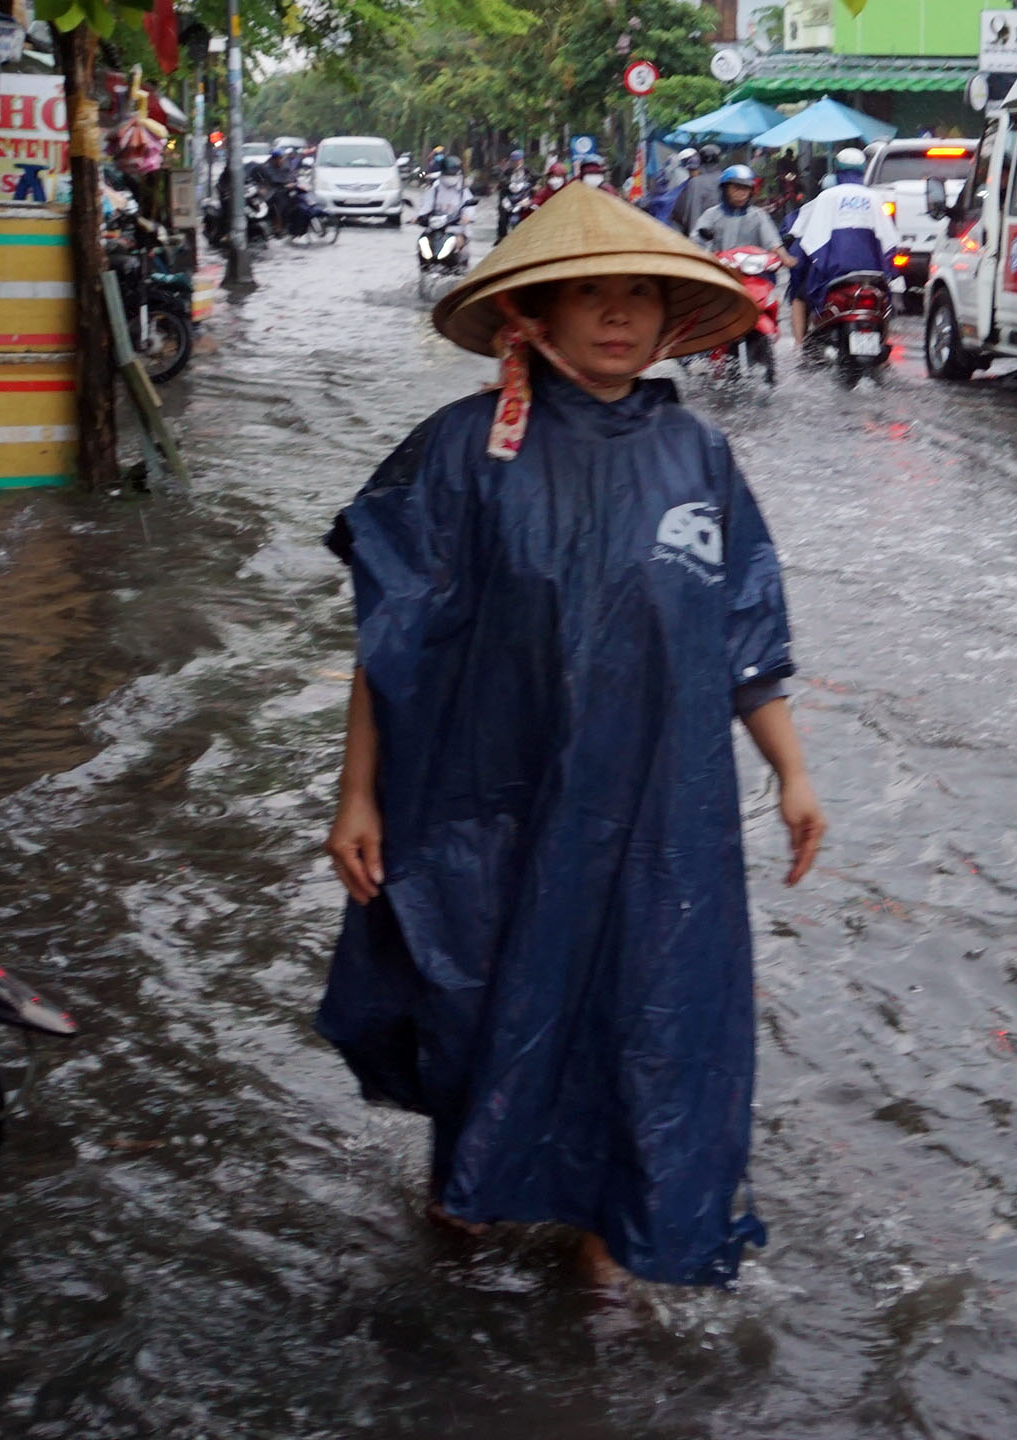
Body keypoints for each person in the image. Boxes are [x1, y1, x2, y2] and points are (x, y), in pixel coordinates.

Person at [319, 183, 828, 1295]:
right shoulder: (464, 452)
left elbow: (747, 635)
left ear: (667, 317)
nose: (616, 315)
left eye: (637, 294)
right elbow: (390, 638)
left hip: (662, 810)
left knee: (649, 1008)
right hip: (491, 797)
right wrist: (357, 793)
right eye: (588, 294)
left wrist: (790, 773)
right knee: (484, 991)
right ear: (532, 315)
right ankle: (467, 1207)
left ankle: (613, 1245)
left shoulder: (697, 456)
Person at [786, 145, 890, 347]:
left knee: (799, 296)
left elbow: (803, 232)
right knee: (885, 301)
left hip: (833, 272)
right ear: (863, 168)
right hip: (873, 273)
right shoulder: (875, 197)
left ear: (837, 169)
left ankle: (799, 346)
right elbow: (888, 238)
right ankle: (885, 344)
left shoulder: (827, 196)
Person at [691, 163, 788, 259]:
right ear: (725, 189)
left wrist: (785, 257)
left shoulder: (758, 215)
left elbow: (772, 242)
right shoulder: (711, 214)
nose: (742, 193)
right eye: (736, 188)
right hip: (718, 269)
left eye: (746, 189)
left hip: (751, 268)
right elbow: (695, 242)